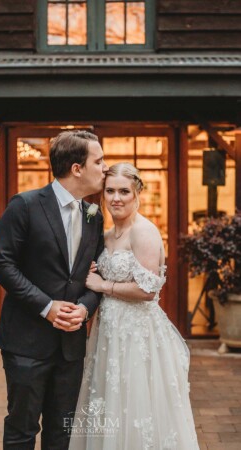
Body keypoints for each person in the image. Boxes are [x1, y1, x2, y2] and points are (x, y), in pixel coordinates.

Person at [0, 130, 109, 450]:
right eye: (99, 161)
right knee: (22, 429)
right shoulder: (25, 205)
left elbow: (96, 275)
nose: (105, 168)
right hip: (26, 341)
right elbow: (1, 263)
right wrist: (46, 306)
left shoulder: (93, 215)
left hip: (70, 346)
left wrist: (84, 308)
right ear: (77, 168)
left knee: (62, 432)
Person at [69, 163, 199, 450]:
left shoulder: (144, 232)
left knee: (136, 404)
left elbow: (147, 290)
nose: (116, 198)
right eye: (110, 191)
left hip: (137, 334)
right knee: (109, 400)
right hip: (108, 334)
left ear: (137, 193)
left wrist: (103, 285)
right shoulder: (107, 236)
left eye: (124, 191)